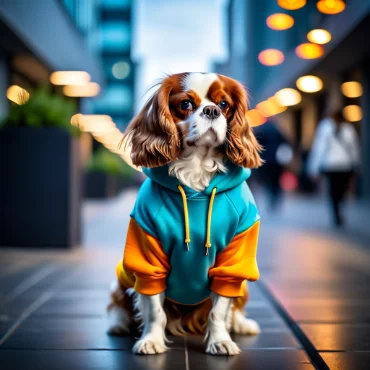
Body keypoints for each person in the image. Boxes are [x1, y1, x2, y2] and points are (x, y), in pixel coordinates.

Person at [308, 110, 360, 227]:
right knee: (342, 189)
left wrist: (314, 168)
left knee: (334, 191)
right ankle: (339, 211)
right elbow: (354, 148)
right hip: (345, 164)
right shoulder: (348, 128)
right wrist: (356, 164)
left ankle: (336, 212)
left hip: (331, 165)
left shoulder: (326, 127)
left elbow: (319, 149)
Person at [254, 120, 290, 211]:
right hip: (277, 161)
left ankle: (270, 196)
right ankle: (276, 198)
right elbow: (286, 143)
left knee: (267, 180)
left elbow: (257, 144)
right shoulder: (278, 131)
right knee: (276, 181)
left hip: (265, 160)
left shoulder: (262, 131)